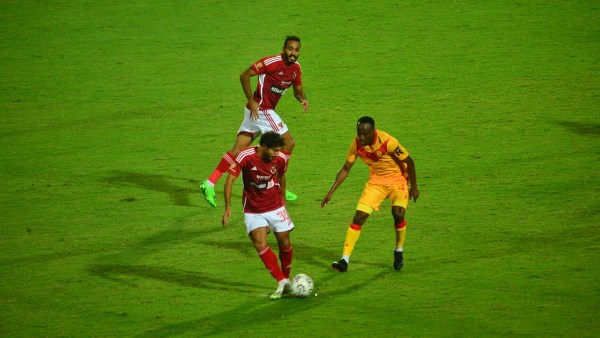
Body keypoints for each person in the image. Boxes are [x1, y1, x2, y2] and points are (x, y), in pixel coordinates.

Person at [200, 35, 309, 208]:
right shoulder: (271, 62)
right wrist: (251, 100)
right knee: (289, 143)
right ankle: (279, 186)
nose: (293, 53)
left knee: (238, 149)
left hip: (257, 113)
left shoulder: (296, 68)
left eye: (296, 50)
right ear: (283, 49)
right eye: (290, 49)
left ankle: (209, 183)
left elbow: (298, 90)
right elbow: (244, 75)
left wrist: (302, 99)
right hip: (262, 109)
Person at [321, 116, 420, 272]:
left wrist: (414, 187)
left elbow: (410, 161)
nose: (361, 137)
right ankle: (344, 260)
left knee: (398, 213)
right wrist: (331, 191)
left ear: (373, 132)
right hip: (376, 182)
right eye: (359, 133)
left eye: (365, 134)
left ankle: (398, 250)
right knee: (359, 217)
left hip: (398, 180)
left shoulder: (388, 142)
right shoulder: (357, 144)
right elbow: (346, 168)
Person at [222, 132, 295, 300]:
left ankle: (287, 279)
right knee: (259, 242)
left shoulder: (280, 159)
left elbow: (282, 176)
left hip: (275, 205)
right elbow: (230, 180)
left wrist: (283, 198)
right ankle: (281, 281)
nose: (277, 154)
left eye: (279, 151)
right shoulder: (246, 156)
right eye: (274, 150)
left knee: (284, 242)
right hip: (254, 209)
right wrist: (228, 207)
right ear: (264, 147)